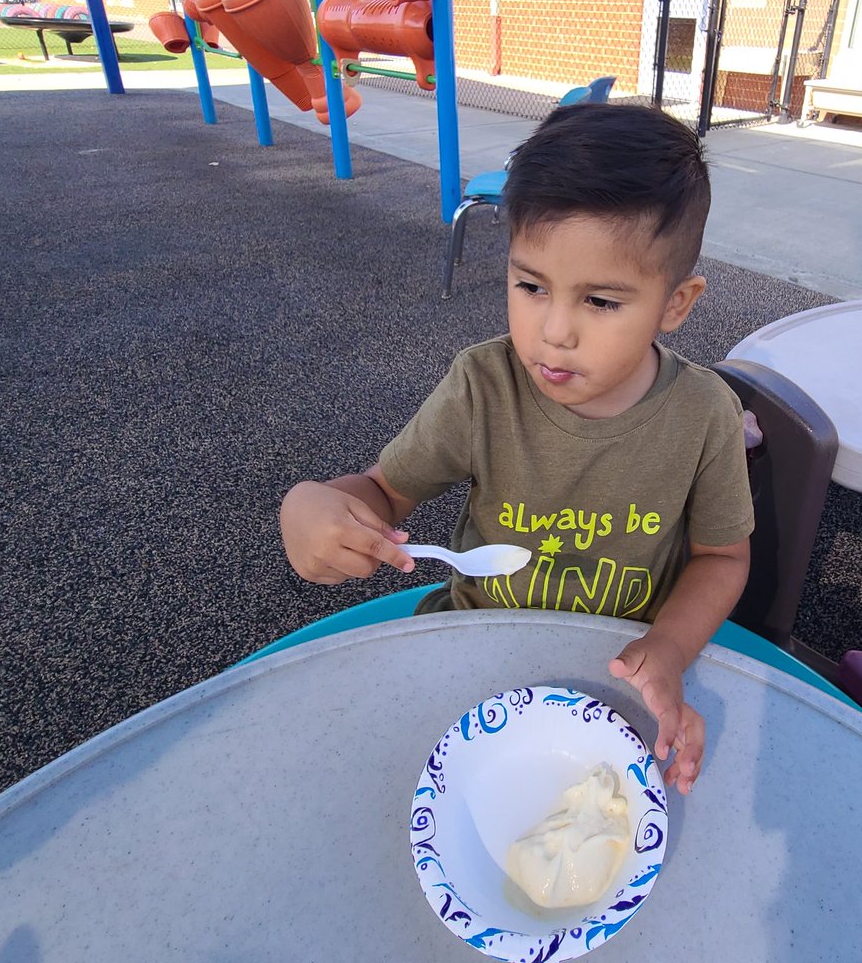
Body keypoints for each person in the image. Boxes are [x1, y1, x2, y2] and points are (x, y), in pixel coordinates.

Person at [280, 102, 754, 795]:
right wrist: (313, 506)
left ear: (676, 304)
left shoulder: (704, 414)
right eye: (531, 286)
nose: (553, 331)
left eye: (600, 302)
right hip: (470, 650)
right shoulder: (484, 387)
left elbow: (722, 557)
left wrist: (671, 647)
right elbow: (382, 492)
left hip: (615, 672)